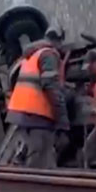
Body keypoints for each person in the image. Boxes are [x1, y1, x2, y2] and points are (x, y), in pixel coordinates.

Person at [5, 26, 70, 169]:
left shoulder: (31, 55)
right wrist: (62, 119)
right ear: (59, 40)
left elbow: (13, 79)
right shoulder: (49, 54)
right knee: (41, 159)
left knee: (31, 153)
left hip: (22, 112)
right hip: (37, 113)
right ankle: (32, 190)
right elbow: (51, 87)